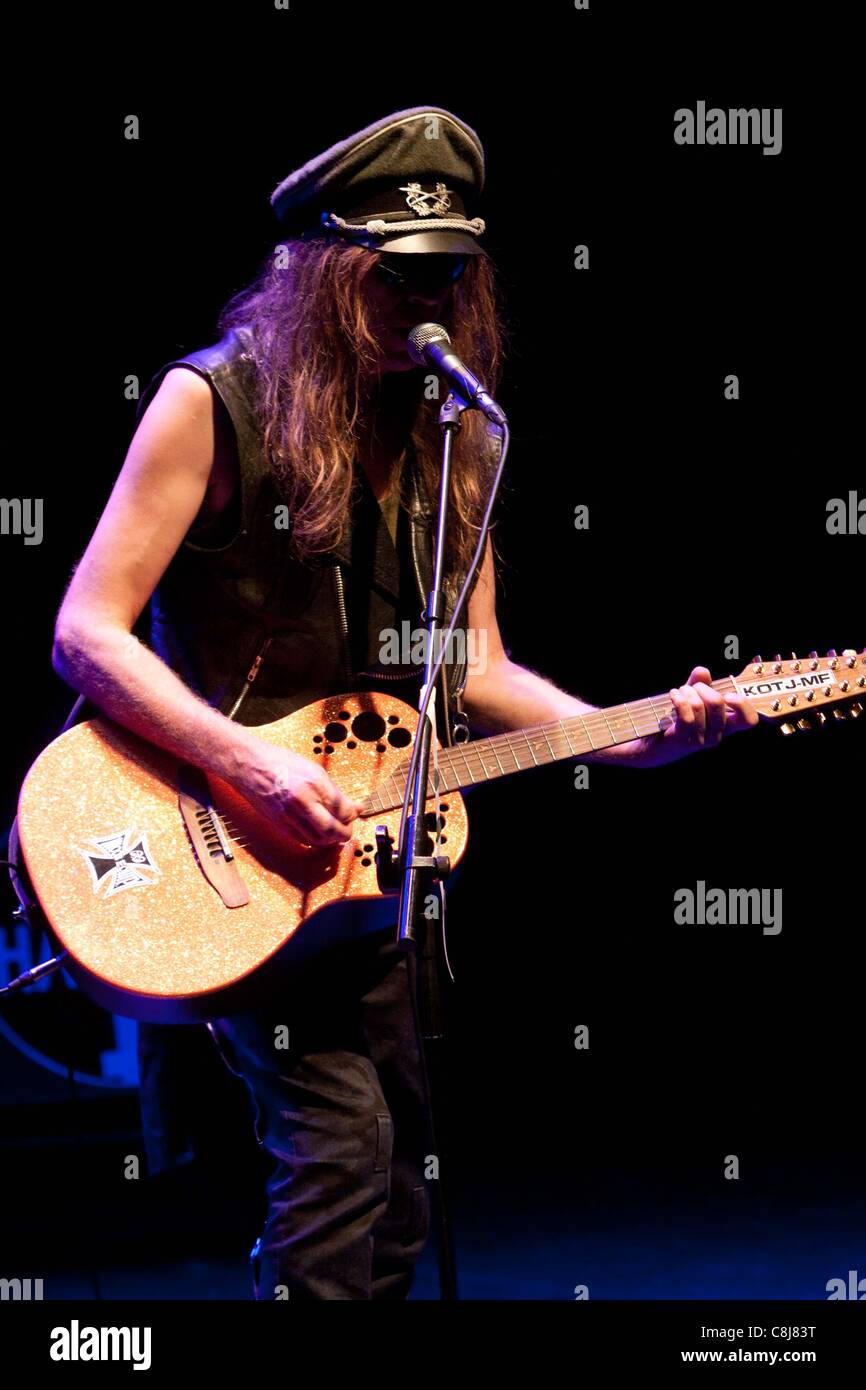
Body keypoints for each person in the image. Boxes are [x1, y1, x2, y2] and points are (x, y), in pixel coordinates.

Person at [51, 105, 759, 1300]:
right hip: (210, 824)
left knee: (399, 1191)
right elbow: (86, 630)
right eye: (391, 277)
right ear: (321, 274)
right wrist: (251, 763)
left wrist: (632, 737)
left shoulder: (455, 436)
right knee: (344, 1153)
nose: (420, 306)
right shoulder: (208, 404)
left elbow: (473, 665)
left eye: (446, 276)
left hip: (368, 859)